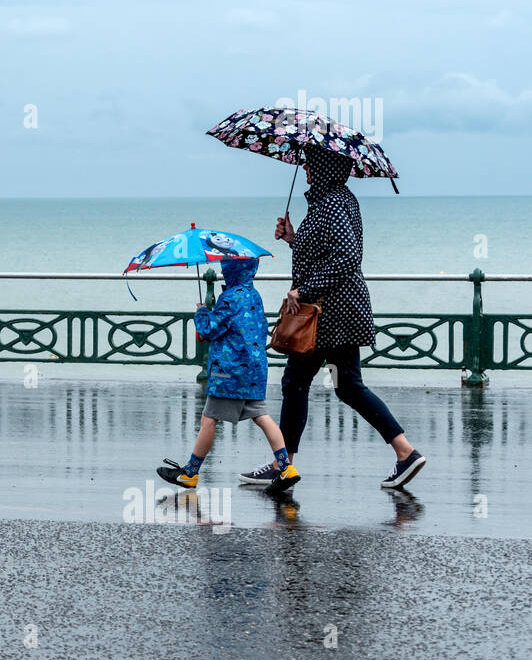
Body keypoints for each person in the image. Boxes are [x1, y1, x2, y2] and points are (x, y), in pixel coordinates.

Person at [240, 147, 425, 490]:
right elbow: (326, 254)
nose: (306, 170)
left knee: (302, 383)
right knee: (341, 386)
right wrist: (294, 239)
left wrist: (304, 291)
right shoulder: (330, 201)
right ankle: (404, 452)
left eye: (311, 165)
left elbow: (346, 256)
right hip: (336, 313)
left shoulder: (335, 202)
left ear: (326, 167)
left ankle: (286, 465)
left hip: (331, 315)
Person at [157, 257, 298, 495]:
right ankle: (286, 468)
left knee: (209, 420)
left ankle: (190, 473)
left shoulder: (230, 298)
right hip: (255, 369)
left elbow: (208, 329)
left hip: (229, 371)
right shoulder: (255, 295)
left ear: (230, 271)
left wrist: (202, 312)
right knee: (262, 415)